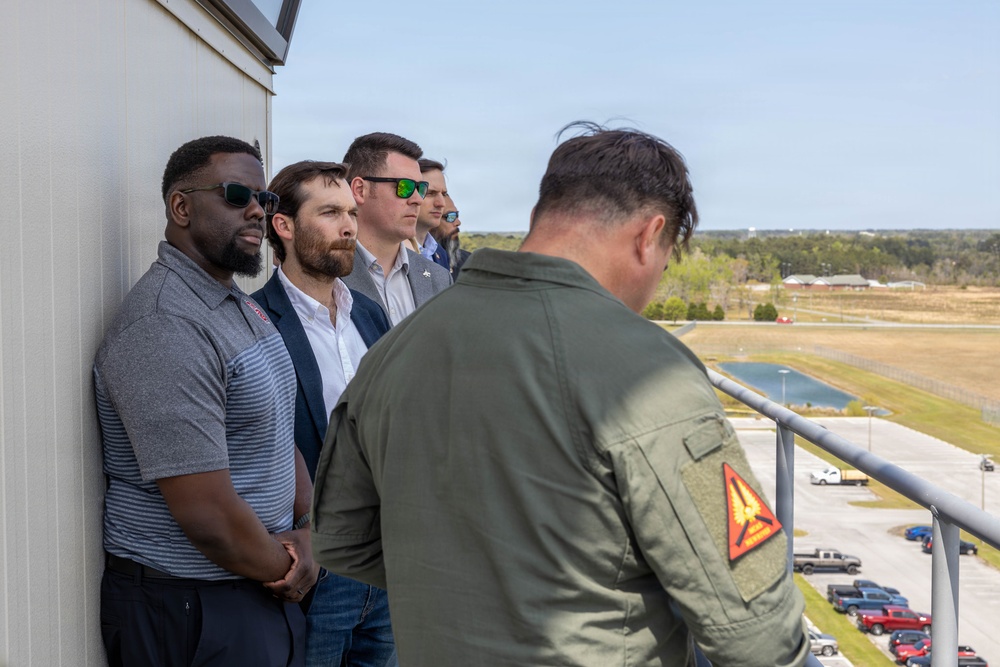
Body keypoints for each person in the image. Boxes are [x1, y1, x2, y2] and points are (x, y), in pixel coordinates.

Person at [310, 123, 810, 666]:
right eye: (664, 263)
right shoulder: (648, 372)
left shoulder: (395, 350)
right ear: (650, 236)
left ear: (538, 218)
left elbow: (341, 540)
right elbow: (758, 633)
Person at [94, 136, 317, 666]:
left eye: (266, 200)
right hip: (190, 606)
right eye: (237, 194)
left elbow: (276, 430)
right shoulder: (165, 326)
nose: (257, 211)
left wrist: (308, 535)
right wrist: (290, 567)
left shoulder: (235, 304)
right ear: (181, 207)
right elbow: (208, 516)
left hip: (254, 588)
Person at [250, 160, 396, 666]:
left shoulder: (371, 314)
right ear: (283, 226)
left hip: (385, 561)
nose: (349, 226)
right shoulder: (256, 321)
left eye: (352, 213)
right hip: (315, 568)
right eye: (330, 212)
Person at [340, 132, 451, 325]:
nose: (417, 199)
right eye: (404, 187)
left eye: (420, 188)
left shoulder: (438, 279)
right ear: (359, 190)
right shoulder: (325, 275)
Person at [414, 158, 451, 272]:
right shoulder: (391, 253)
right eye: (430, 193)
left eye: (444, 194)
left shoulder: (440, 253)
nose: (441, 203)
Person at [432, 193, 470, 274]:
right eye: (450, 216)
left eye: (457, 215)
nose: (458, 222)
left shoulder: (470, 262)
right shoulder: (417, 261)